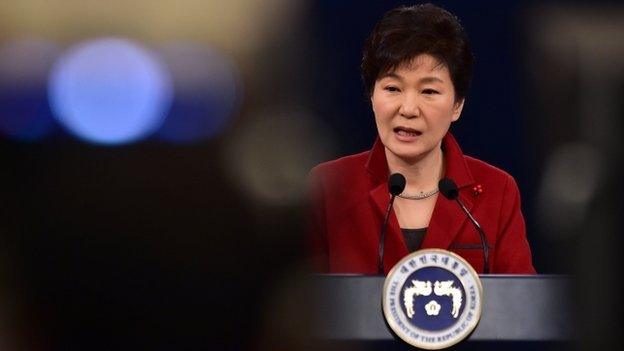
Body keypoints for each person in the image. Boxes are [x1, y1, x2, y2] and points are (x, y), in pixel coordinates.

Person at [308, 3, 535, 274]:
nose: (408, 109)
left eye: (428, 91)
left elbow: (522, 305)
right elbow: (304, 302)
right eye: (393, 88)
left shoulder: (497, 191)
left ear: (457, 105)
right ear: (371, 97)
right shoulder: (330, 187)